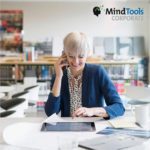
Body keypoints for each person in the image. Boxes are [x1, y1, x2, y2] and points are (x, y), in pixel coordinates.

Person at [45, 32, 125, 119]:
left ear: (87, 54)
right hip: (67, 129)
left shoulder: (97, 72)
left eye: (81, 56)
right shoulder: (59, 76)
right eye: (71, 56)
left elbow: (119, 107)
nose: (76, 62)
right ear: (65, 55)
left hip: (94, 129)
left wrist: (93, 111)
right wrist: (58, 77)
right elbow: (51, 113)